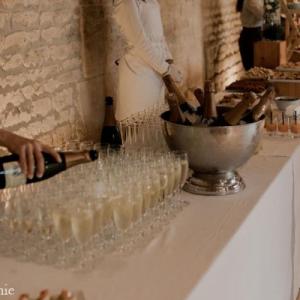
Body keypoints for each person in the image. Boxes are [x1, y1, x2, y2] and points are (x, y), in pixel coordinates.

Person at [113, 0, 182, 121]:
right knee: (139, 129)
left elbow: (160, 37)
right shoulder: (126, 3)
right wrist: (167, 69)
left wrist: (169, 60)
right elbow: (140, 43)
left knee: (156, 125)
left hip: (157, 70)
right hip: (138, 73)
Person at [237, 0, 264, 70]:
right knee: (254, 69)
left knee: (253, 68)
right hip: (252, 36)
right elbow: (262, 15)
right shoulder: (251, 1)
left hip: (251, 34)